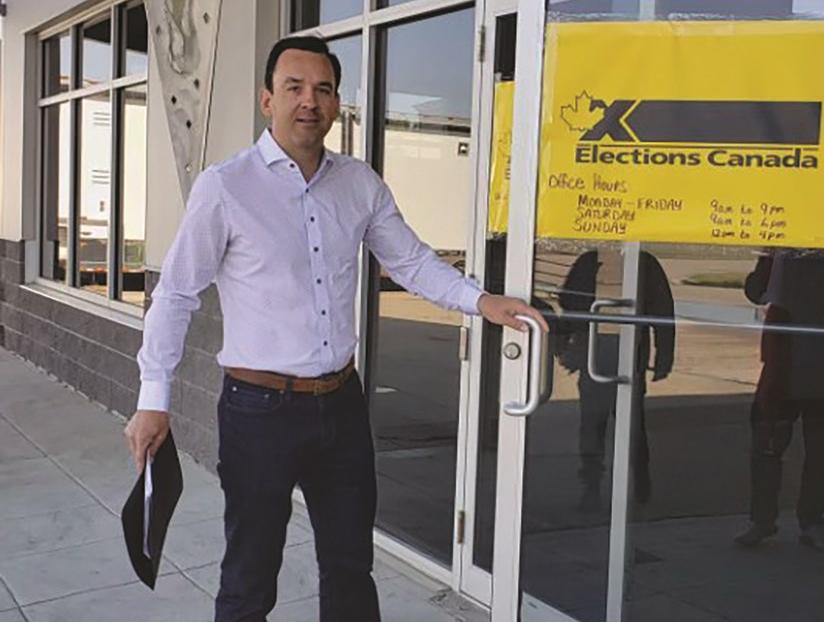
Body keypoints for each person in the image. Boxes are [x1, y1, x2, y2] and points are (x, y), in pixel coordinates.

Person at [123, 36, 546, 622]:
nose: (309, 101)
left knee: (350, 567)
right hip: (258, 412)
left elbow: (412, 261)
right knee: (250, 573)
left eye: (322, 89)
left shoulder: (358, 183)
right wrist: (154, 400)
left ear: (336, 102)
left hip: (340, 406)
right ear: (266, 99)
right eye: (294, 87)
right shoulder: (226, 187)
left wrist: (481, 300)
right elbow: (174, 295)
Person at [734, 250, 824, 553]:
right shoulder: (780, 249)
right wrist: (767, 261)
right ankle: (764, 519)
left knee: (822, 449)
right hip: (785, 363)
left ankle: (810, 521)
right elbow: (756, 290)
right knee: (767, 443)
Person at [555, 249, 675, 511]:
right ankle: (591, 486)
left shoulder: (645, 263)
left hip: (631, 349)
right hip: (595, 349)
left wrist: (664, 355)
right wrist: (564, 345)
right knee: (592, 422)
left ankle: (640, 483)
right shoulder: (589, 261)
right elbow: (570, 302)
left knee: (631, 423)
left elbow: (663, 311)